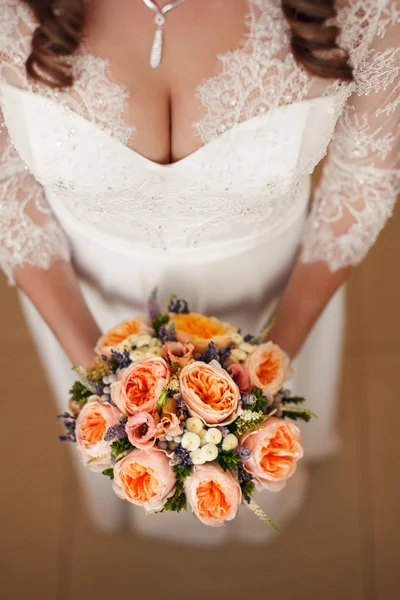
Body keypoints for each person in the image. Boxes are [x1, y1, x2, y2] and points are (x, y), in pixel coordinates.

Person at [0, 0, 399, 544]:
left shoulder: (360, 8)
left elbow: (363, 178)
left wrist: (272, 362)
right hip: (79, 287)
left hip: (276, 285)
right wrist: (95, 371)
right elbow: (7, 184)